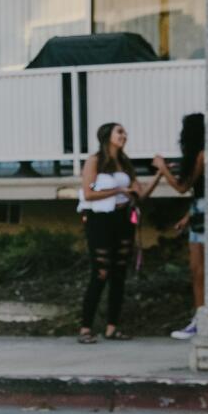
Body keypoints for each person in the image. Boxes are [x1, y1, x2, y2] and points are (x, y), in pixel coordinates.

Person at [75, 121, 156, 344]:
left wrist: (160, 175)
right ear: (107, 136)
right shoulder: (95, 161)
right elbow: (88, 193)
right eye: (119, 132)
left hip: (123, 218)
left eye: (124, 132)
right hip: (100, 219)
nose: (124, 135)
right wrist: (119, 190)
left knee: (119, 272)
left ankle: (112, 327)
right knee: (100, 271)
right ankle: (85, 327)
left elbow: (140, 193)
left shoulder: (125, 163)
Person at [149, 113, 205, 341]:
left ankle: (201, 320)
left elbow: (183, 187)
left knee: (199, 270)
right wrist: (188, 215)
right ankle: (202, 317)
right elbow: (203, 191)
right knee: (199, 270)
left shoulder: (201, 155)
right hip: (201, 210)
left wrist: (162, 169)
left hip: (204, 212)